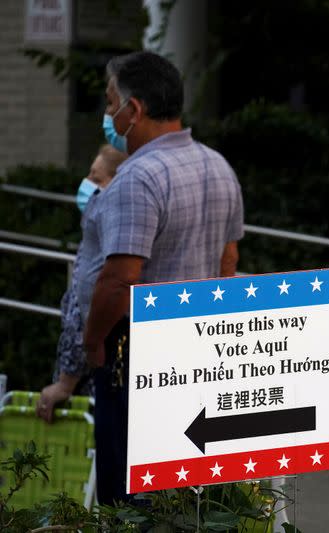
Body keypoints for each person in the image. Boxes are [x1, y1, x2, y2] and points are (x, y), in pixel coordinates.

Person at [78, 50, 244, 504]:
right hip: (197, 348)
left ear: (135, 110)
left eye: (112, 103)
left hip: (137, 353)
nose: (109, 114)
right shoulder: (218, 166)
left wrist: (93, 342)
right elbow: (228, 260)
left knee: (128, 494)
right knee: (183, 490)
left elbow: (119, 280)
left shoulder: (138, 177)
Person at [36, 144, 127, 423]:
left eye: (97, 179)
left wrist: (65, 383)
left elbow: (82, 318)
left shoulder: (104, 235)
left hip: (88, 392)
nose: (87, 185)